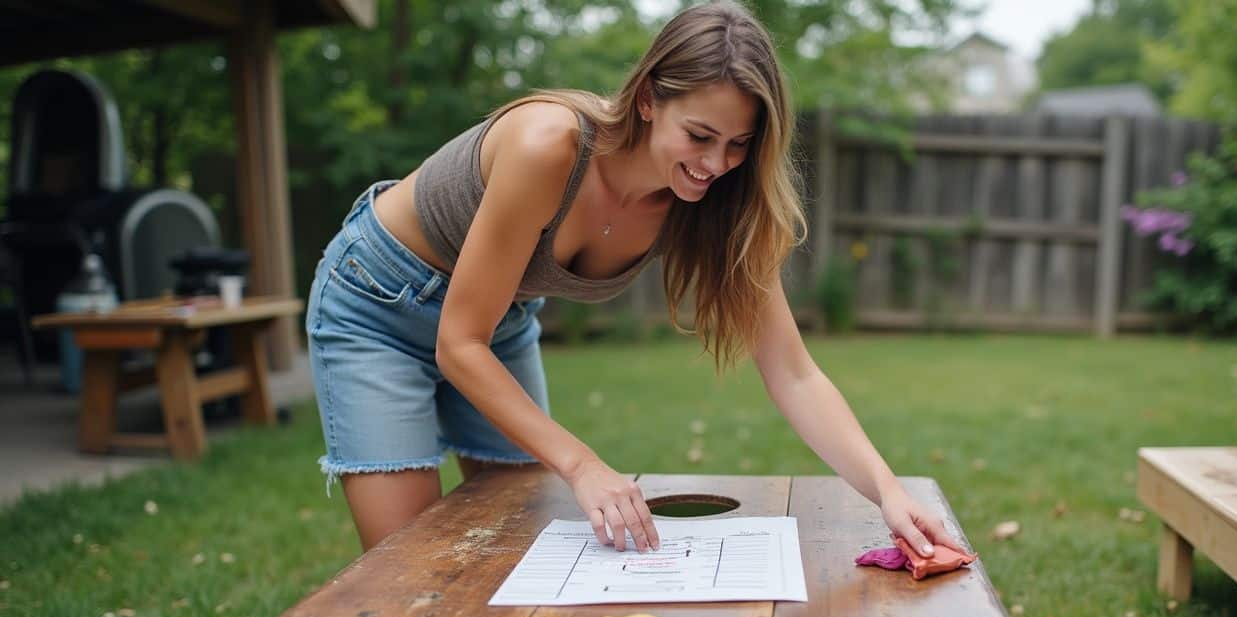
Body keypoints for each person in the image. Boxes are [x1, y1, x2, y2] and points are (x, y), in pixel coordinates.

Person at [305, 0, 968, 559]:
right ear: (649, 98)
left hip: (497, 320)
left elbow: (793, 372)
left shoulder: (711, 204)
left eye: (738, 145)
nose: (715, 164)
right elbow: (458, 343)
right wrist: (583, 464)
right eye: (701, 135)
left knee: (508, 553)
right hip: (379, 304)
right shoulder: (549, 147)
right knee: (412, 567)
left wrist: (888, 490)